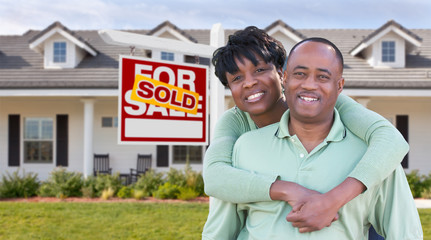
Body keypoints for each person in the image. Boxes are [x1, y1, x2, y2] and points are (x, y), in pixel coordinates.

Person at [202, 27, 410, 239]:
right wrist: (288, 189)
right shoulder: (236, 129)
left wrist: (331, 201)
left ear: (281, 74)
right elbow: (215, 177)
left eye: (259, 70)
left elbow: (391, 140)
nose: (249, 82)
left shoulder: (329, 101)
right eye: (236, 78)